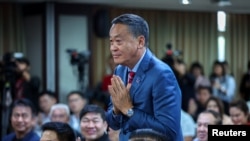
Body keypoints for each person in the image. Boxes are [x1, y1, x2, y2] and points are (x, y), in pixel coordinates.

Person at [106, 13, 182, 141]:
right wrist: (116, 110)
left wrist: (128, 110)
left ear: (140, 42)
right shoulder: (119, 70)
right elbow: (113, 123)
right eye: (111, 42)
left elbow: (168, 131)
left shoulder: (161, 74)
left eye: (118, 41)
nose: (113, 48)